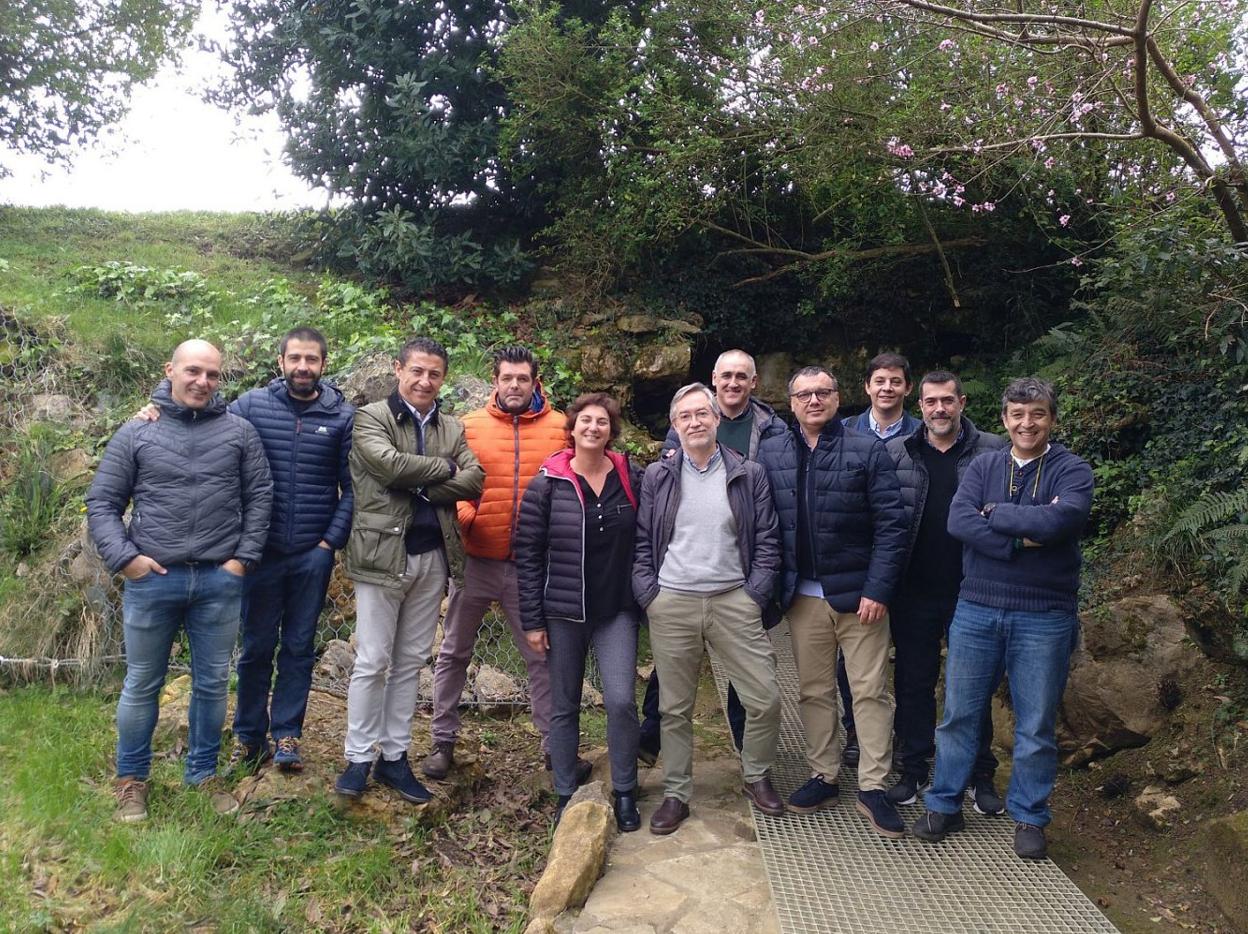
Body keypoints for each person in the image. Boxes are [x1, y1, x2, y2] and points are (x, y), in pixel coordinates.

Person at [87, 339, 273, 822]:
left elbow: (260, 500)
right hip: (153, 581)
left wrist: (241, 561)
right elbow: (103, 503)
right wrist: (126, 560)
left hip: (218, 581)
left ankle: (203, 773)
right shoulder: (136, 433)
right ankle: (131, 780)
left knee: (212, 684)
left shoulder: (240, 433)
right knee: (142, 683)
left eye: (212, 374)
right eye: (193, 371)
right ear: (170, 369)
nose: (202, 382)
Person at [911, 377, 1093, 860]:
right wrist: (1018, 537)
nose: (1026, 423)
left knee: (1035, 724)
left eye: (1036, 414)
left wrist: (996, 515)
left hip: (1045, 615)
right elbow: (959, 522)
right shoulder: (984, 465)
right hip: (976, 607)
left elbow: (1060, 522)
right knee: (959, 714)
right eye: (1017, 414)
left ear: (1051, 418)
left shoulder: (1073, 470)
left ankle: (1030, 817)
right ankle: (945, 802)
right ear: (1005, 418)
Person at [421, 346, 584, 783]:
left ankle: (555, 748)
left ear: (536, 382)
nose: (514, 386)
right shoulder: (468, 426)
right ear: (495, 380)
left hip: (532, 566)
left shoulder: (559, 427)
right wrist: (464, 515)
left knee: (539, 655)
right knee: (454, 651)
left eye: (523, 379)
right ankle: (443, 741)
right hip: (475, 560)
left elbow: (575, 479)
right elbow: (447, 478)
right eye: (507, 378)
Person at [757, 366, 908, 838]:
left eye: (823, 392)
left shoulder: (867, 449)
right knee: (814, 690)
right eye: (804, 394)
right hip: (803, 596)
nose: (814, 400)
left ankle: (874, 786)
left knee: (870, 690)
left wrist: (878, 590)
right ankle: (824, 774)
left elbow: (892, 526)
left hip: (860, 597)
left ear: (838, 397)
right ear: (791, 402)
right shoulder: (774, 450)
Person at [334, 337, 484, 804]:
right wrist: (442, 468)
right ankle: (358, 757)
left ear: (443, 379)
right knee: (373, 660)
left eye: (434, 374)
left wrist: (422, 488)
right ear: (399, 370)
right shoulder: (371, 417)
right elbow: (388, 465)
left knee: (409, 664)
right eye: (416, 371)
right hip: (381, 556)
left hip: (433, 557)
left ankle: (394, 759)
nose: (424, 381)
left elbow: (474, 478)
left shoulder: (452, 425)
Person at [634, 383, 784, 835]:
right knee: (674, 709)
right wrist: (650, 594)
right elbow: (643, 541)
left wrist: (755, 593)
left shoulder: (748, 473)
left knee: (764, 697)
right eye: (685, 417)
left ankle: (756, 774)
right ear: (675, 427)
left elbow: (768, 540)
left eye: (703, 414)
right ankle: (677, 792)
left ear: (717, 418)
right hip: (673, 601)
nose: (695, 422)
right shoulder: (658, 477)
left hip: (733, 600)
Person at [228, 328, 354, 773]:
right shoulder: (250, 406)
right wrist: (156, 406)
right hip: (259, 552)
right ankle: (248, 736)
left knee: (299, 646)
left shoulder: (342, 416)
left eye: (312, 359)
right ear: (280, 362)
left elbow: (352, 487)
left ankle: (286, 735)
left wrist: (328, 543)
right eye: (295, 358)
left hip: (310, 554)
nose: (303, 366)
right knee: (256, 646)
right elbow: (205, 422)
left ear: (324, 364)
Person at [515, 393, 644, 831]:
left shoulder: (630, 476)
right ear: (571, 429)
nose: (594, 428)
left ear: (612, 430)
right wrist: (532, 619)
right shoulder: (548, 482)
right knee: (564, 704)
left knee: (623, 701)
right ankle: (566, 791)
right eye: (585, 421)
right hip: (564, 611)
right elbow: (528, 553)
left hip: (617, 609)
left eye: (602, 422)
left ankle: (626, 789)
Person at [882, 371, 1006, 812]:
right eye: (931, 402)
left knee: (971, 686)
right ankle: (914, 767)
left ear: (962, 402)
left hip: (974, 589)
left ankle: (979, 773)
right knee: (913, 682)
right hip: (914, 588)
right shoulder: (898, 451)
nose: (939, 409)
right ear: (920, 407)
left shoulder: (992, 449)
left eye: (947, 401)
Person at [837, 351, 920, 765]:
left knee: (909, 655)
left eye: (895, 381)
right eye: (879, 381)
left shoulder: (923, 436)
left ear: (908, 387)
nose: (887, 388)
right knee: (848, 658)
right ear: (866, 386)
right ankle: (854, 730)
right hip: (854, 563)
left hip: (910, 561)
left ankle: (904, 736)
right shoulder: (843, 430)